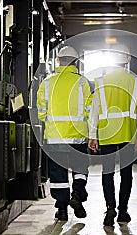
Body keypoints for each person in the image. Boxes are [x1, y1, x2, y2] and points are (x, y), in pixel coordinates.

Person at [88, 44, 137, 226]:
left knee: (108, 173)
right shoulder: (136, 82)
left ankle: (110, 206)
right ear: (127, 60)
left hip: (106, 134)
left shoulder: (101, 82)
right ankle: (123, 211)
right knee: (126, 173)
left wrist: (92, 135)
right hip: (128, 134)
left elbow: (94, 111)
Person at [37, 45, 92, 221]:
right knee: (80, 169)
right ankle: (77, 196)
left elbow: (41, 112)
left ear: (59, 61)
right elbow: (90, 111)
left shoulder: (47, 82)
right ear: (75, 62)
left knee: (58, 174)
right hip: (78, 137)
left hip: (54, 137)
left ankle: (62, 209)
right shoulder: (83, 82)